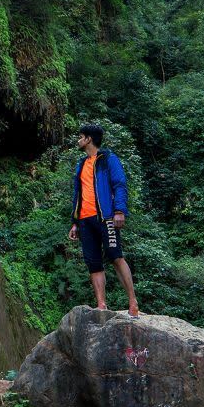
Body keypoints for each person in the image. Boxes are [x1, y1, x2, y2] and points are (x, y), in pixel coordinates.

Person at [68, 122, 140, 316]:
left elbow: (120, 185)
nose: (78, 140)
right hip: (84, 220)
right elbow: (78, 194)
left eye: (81, 136)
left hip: (106, 217)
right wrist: (74, 222)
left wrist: (119, 210)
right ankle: (101, 305)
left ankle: (133, 302)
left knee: (115, 256)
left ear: (89, 139)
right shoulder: (81, 164)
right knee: (93, 263)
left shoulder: (108, 159)